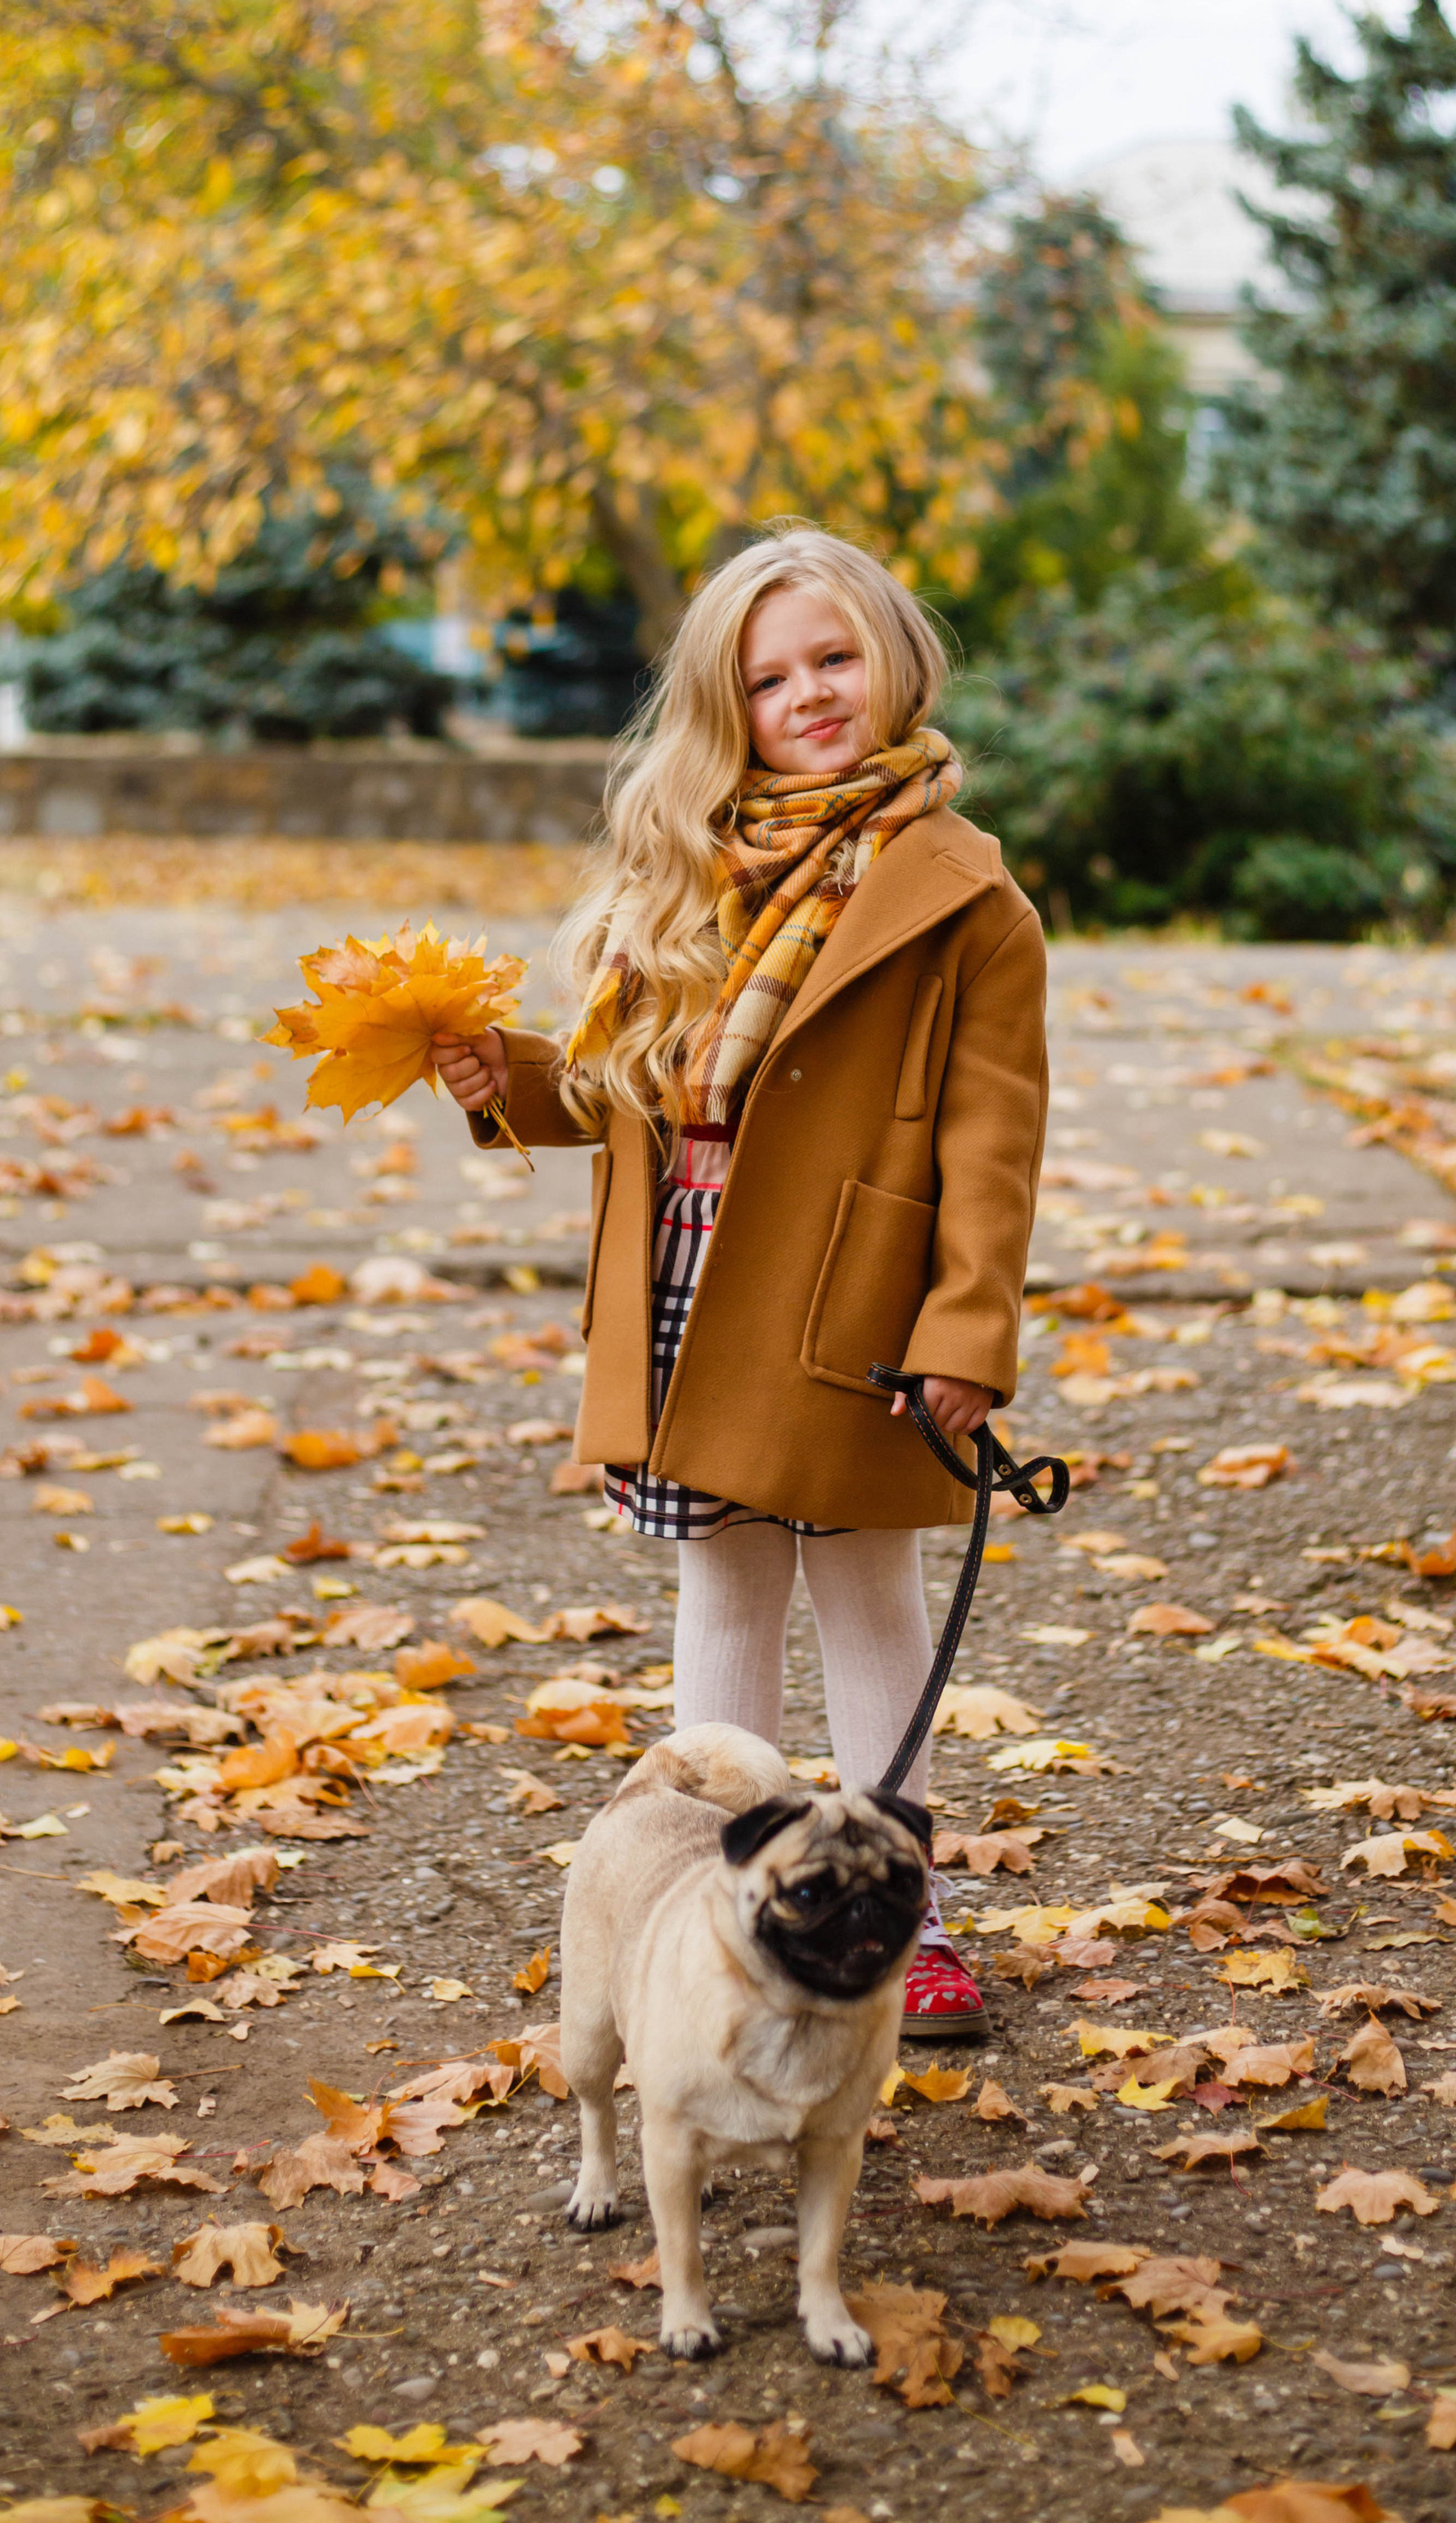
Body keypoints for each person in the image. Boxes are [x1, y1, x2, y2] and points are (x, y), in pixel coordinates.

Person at [432, 525, 1047, 2040]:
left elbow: (994, 1144)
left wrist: (965, 1328)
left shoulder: (967, 899)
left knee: (866, 1592)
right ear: (733, 708)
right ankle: (729, 1919)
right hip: (692, 1288)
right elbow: (613, 1092)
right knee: (723, 1584)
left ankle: (904, 1926)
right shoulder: (688, 872)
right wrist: (500, 1077)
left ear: (893, 659)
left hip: (854, 1296)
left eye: (835, 658)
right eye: (773, 680)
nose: (812, 694)